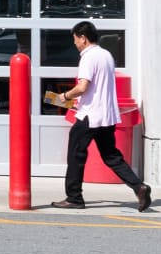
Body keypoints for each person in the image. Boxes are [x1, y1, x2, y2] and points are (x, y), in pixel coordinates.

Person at [53, 21, 151, 212]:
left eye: (75, 40)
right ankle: (139, 187)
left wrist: (63, 97)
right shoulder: (106, 55)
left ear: (83, 37)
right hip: (107, 115)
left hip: (89, 115)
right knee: (111, 156)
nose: (75, 44)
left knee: (75, 154)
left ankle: (74, 197)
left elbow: (83, 87)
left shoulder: (88, 57)